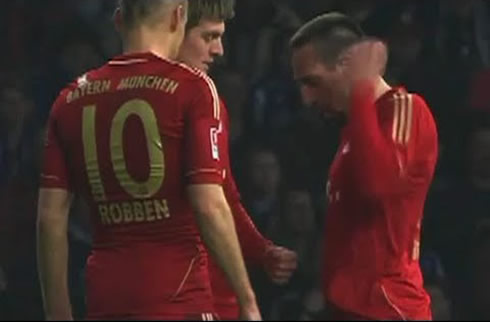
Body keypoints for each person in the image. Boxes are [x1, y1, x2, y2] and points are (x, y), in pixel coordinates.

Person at [37, 0, 260, 320]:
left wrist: (58, 314)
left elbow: (49, 218)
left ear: (118, 20)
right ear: (179, 15)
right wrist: (247, 299)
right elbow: (209, 204)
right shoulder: (194, 90)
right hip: (178, 299)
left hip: (105, 300)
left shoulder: (69, 99)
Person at [289, 13, 438, 320]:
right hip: (351, 309)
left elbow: (378, 186)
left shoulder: (406, 108)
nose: (307, 98)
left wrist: (361, 92)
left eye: (312, 82)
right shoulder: (356, 128)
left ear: (346, 64)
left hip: (389, 307)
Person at [177, 0, 298, 319]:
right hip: (195, 291)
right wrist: (246, 298)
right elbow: (212, 202)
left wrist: (261, 249)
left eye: (221, 38)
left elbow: (225, 196)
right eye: (208, 37)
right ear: (175, 28)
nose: (219, 51)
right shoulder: (200, 99)